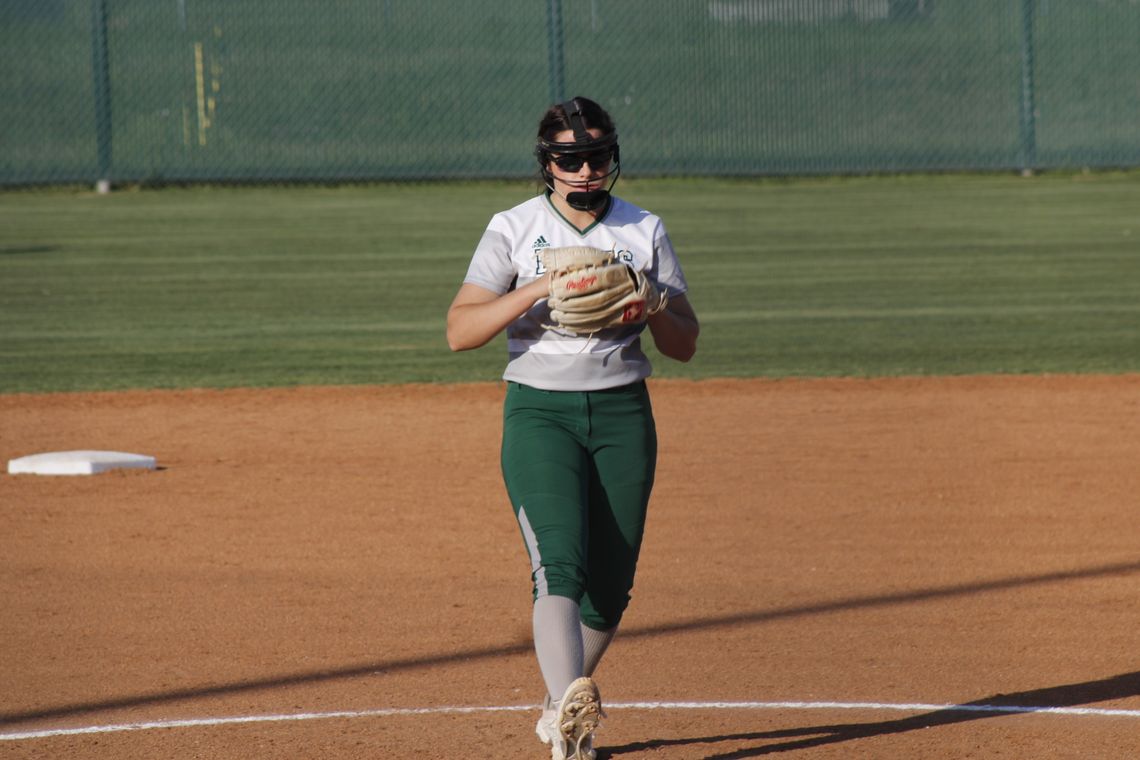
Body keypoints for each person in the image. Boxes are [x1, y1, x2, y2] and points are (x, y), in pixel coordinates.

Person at [446, 96, 699, 760]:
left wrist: (655, 306)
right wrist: (534, 289)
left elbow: (685, 344)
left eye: (597, 157)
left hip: (622, 415)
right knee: (558, 565)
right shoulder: (515, 227)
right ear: (548, 164)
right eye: (570, 159)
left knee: (610, 589)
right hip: (540, 414)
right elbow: (459, 331)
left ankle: (559, 705)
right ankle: (571, 728)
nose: (585, 171)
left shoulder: (644, 229)